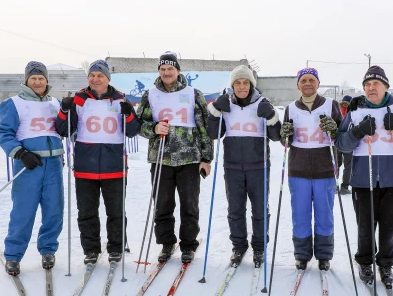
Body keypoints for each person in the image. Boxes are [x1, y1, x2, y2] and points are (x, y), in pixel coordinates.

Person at [335, 66, 393, 287]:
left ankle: (386, 263)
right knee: (365, 224)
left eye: (376, 84)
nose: (371, 88)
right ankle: (365, 261)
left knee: (391, 226)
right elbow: (342, 144)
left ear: (385, 87)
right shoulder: (355, 112)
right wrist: (358, 131)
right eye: (367, 85)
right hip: (363, 177)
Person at [55, 60, 141, 264]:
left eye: (100, 75)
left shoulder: (121, 99)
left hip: (114, 167)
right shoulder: (78, 99)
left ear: (107, 78)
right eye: (92, 75)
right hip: (86, 167)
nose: (95, 79)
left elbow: (133, 131)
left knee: (116, 212)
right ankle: (91, 249)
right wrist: (64, 110)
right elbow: (62, 130)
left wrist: (128, 114)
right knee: (86, 212)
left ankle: (116, 248)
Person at [136, 52, 214, 264]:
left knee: (189, 204)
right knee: (162, 204)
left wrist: (206, 158)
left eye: (170, 69)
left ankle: (188, 244)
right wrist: (153, 127)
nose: (166, 73)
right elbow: (138, 125)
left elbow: (204, 128)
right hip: (161, 158)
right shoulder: (149, 94)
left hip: (189, 159)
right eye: (162, 69)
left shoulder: (193, 93)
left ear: (178, 71)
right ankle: (167, 243)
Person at [207, 65, 281, 267]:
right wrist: (215, 110)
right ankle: (239, 247)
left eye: (245, 82)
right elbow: (213, 134)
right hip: (232, 168)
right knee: (235, 211)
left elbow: (276, 137)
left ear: (251, 84)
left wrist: (272, 116)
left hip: (258, 166)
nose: (242, 86)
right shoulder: (226, 105)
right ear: (232, 85)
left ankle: (259, 248)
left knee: (259, 211)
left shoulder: (262, 103)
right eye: (237, 83)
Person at [0, 61, 64, 275]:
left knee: (54, 210)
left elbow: (65, 128)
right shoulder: (14, 103)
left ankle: (48, 249)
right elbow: (4, 133)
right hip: (28, 165)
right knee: (23, 211)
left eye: (41, 78)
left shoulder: (56, 103)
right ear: (26, 80)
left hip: (53, 164)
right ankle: (14, 255)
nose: (37, 81)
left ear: (46, 80)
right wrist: (21, 153)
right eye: (33, 78)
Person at [280, 68, 342, 271]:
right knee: (300, 214)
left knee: (325, 214)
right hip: (298, 170)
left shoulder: (331, 105)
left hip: (325, 169)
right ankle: (302, 254)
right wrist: (284, 135)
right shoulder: (291, 108)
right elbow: (285, 140)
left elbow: (341, 136)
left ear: (318, 83)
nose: (308, 83)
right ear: (298, 85)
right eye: (303, 80)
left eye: (311, 80)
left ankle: (324, 255)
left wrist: (333, 129)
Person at [337, 95, 353, 194]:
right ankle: (344, 187)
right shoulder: (352, 111)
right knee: (348, 166)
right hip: (348, 142)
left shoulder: (337, 109)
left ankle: (335, 185)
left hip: (337, 142)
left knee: (336, 165)